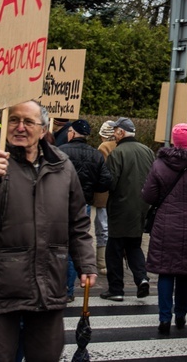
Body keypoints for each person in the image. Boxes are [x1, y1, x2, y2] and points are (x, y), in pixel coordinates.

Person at [0, 100, 97, 362]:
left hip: (48, 285)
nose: (20, 127)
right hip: (1, 287)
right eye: (13, 120)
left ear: (43, 129)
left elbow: (77, 221)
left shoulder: (62, 165)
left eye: (28, 122)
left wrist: (86, 263)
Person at [142, 123, 187, 335]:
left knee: (165, 272)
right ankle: (180, 315)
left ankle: (164, 318)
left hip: (164, 224)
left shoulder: (159, 164)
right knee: (185, 272)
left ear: (173, 141)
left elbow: (149, 196)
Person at [101, 117, 155, 301]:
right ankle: (142, 279)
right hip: (141, 207)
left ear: (122, 132)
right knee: (134, 246)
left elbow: (111, 182)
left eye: (115, 131)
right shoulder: (148, 151)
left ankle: (116, 289)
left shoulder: (118, 153)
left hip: (120, 207)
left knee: (114, 249)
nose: (114, 134)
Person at [59, 119, 112, 302]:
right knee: (77, 242)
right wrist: (90, 188)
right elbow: (106, 181)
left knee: (59, 244)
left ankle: (58, 286)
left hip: (60, 202)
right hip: (83, 203)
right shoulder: (95, 155)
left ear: (72, 133)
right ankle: (68, 290)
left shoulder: (61, 152)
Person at [93, 120, 117, 274]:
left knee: (102, 227)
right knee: (110, 226)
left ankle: (102, 262)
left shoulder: (104, 147)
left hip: (103, 194)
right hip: (116, 194)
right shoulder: (119, 145)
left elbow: (99, 169)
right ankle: (111, 260)